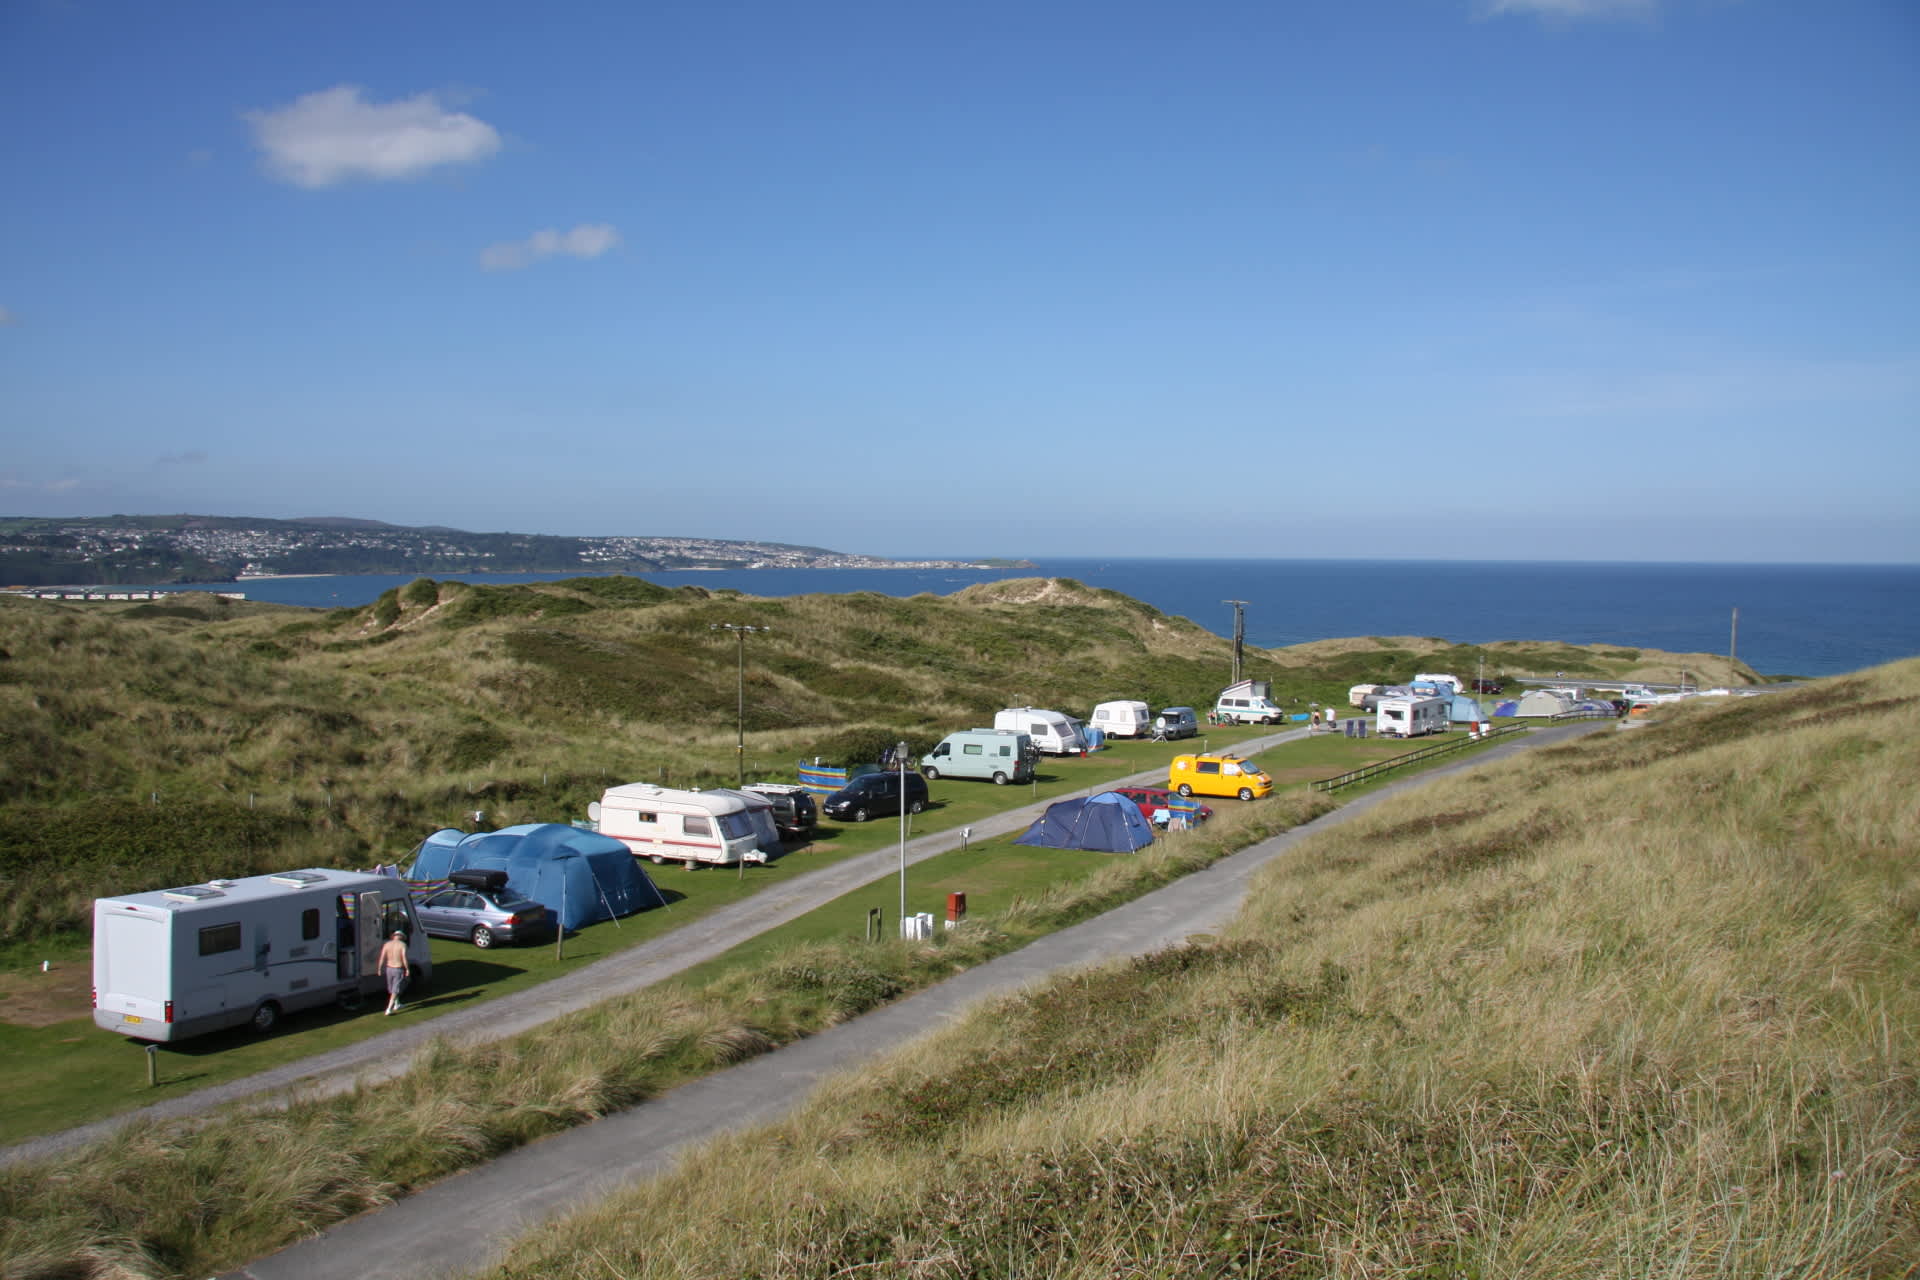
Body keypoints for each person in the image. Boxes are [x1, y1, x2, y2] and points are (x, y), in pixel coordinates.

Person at [379, 929, 411, 1015]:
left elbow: (382, 957)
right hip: (398, 968)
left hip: (389, 968)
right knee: (395, 989)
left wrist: (379, 968)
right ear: (401, 937)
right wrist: (407, 969)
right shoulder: (402, 945)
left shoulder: (387, 944)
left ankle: (397, 1004)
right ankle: (389, 1008)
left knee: (392, 987)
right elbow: (404, 957)